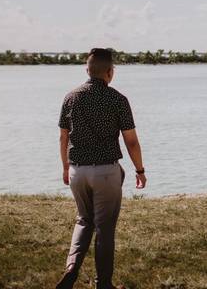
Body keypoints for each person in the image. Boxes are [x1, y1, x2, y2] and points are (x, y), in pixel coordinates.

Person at [56, 48, 147, 289]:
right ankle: (103, 284)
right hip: (106, 172)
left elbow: (63, 137)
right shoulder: (118, 99)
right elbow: (131, 141)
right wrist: (140, 170)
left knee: (84, 220)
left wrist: (66, 167)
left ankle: (71, 270)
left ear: (87, 70)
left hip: (77, 170)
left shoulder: (70, 97)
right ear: (110, 72)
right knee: (105, 229)